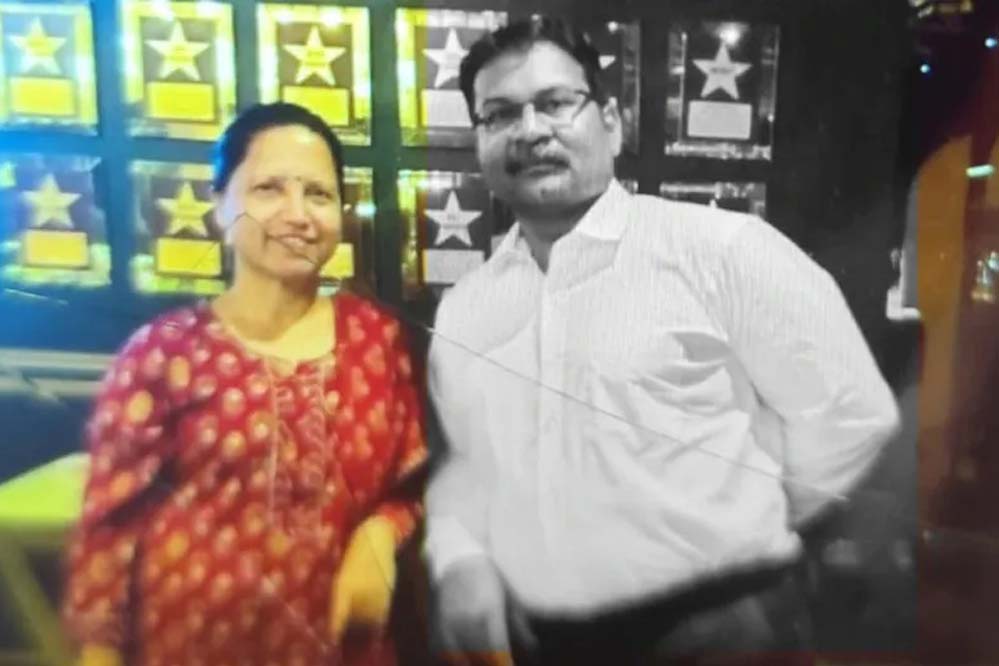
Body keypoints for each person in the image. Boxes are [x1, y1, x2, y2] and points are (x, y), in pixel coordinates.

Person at [424, 16, 900, 665]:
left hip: (723, 630)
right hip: (540, 638)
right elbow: (468, 467)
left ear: (611, 123)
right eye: (500, 113)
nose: (530, 130)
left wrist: (736, 528)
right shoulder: (466, 309)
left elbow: (852, 413)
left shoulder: (723, 251)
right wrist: (462, 558)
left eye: (556, 103)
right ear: (478, 140)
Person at [62, 103, 427, 666]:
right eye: (268, 189)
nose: (297, 214)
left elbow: (411, 485)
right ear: (219, 204)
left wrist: (379, 533)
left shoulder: (376, 341)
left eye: (318, 194)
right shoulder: (162, 354)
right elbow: (108, 538)